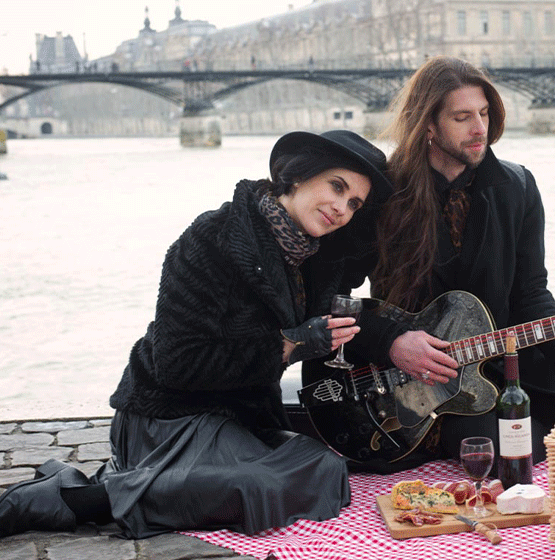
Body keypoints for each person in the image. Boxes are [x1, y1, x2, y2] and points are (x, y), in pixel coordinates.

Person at [0, 130, 393, 539]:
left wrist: (396, 340)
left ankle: (122, 486)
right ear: (298, 175)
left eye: (354, 204)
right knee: (262, 485)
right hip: (166, 417)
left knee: (326, 469)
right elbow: (176, 362)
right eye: (336, 186)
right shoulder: (213, 239)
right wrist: (287, 346)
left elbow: (348, 313)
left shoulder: (316, 257)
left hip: (236, 422)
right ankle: (75, 500)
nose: (341, 209)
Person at [321, 56, 555, 472]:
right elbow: (329, 294)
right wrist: (391, 341)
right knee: (504, 450)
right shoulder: (381, 193)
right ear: (428, 125)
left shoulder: (517, 186)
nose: (479, 129)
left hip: (511, 362)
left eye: (485, 113)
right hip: (420, 381)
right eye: (462, 117)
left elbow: (530, 293)